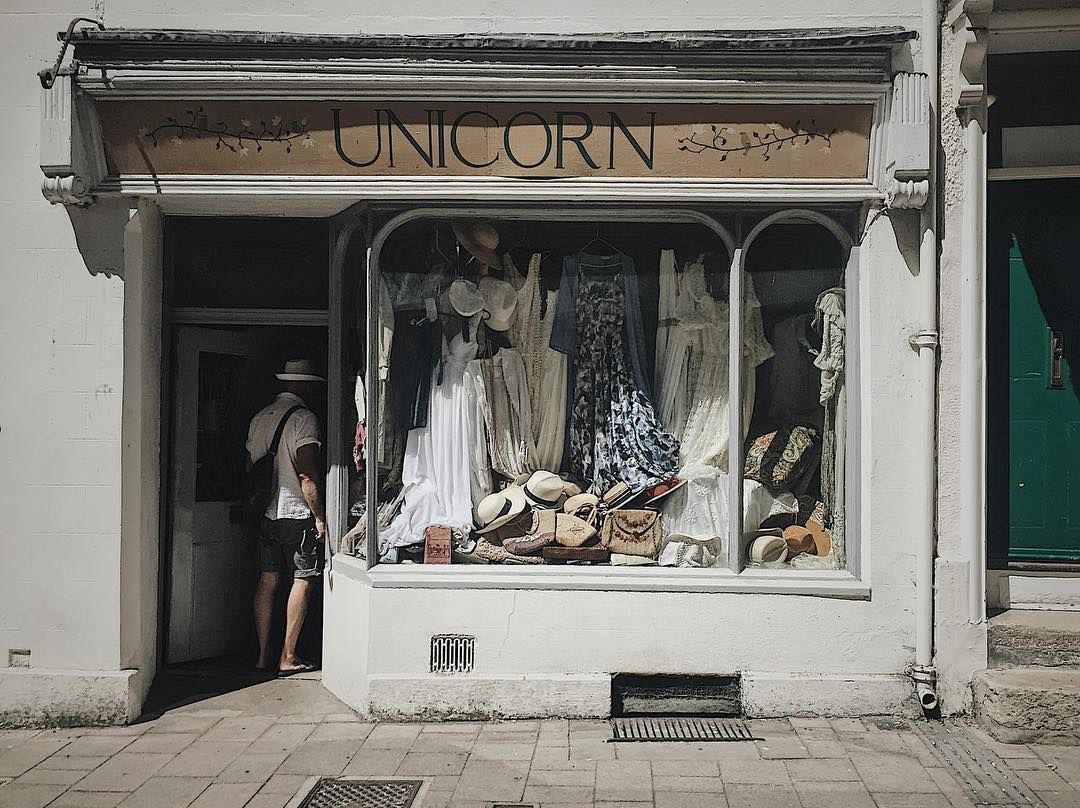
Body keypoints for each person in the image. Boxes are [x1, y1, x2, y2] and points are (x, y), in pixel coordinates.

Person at [246, 359, 326, 676]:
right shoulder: (304, 419)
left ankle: (263, 654)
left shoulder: (259, 418)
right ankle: (288, 655)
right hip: (295, 511)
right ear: (305, 385)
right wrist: (320, 516)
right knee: (302, 578)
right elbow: (307, 473)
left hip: (267, 513)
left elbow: (251, 468)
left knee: (268, 580)